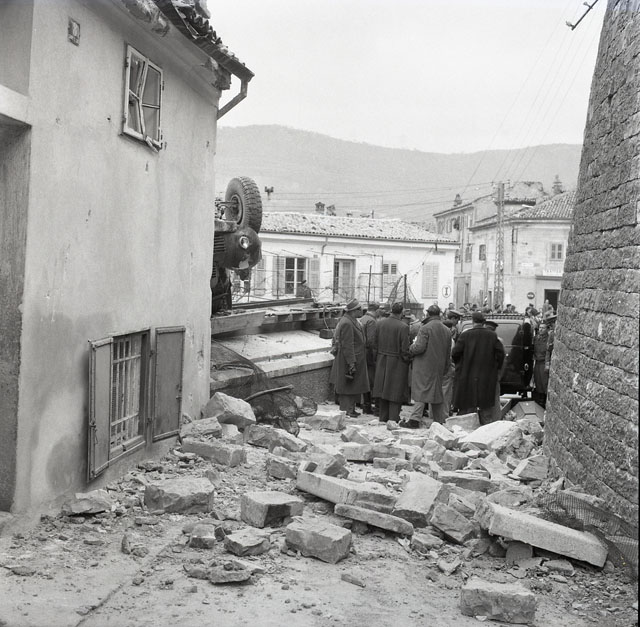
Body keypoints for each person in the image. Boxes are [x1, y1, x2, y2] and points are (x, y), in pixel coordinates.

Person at [451, 311, 505, 425]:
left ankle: (469, 428)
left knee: (468, 405)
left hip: (468, 374)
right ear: (483, 322)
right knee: (485, 406)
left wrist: (460, 365)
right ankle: (486, 428)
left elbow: (455, 353)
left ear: (473, 321)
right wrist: (496, 367)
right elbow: (500, 354)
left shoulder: (465, 335)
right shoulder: (492, 335)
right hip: (487, 375)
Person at [404, 304, 451, 427]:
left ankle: (415, 419)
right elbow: (448, 352)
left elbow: (419, 347)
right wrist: (446, 367)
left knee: (421, 391)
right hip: (439, 366)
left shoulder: (425, 328)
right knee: (436, 393)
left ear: (428, 314)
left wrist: (411, 347)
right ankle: (439, 420)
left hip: (424, 365)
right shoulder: (446, 330)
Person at [329, 299, 369, 417]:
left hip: (356, 358)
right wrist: (351, 363)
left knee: (353, 385)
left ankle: (351, 408)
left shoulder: (352, 321)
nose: (362, 311)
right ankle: (346, 409)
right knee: (347, 385)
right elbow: (348, 345)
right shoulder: (347, 323)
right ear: (353, 311)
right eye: (360, 309)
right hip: (348, 360)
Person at [373, 302, 411, 423]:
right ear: (401, 312)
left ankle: (383, 417)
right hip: (397, 362)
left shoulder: (380, 323)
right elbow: (405, 348)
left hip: (381, 359)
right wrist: (408, 360)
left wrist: (377, 358)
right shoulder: (403, 327)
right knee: (395, 392)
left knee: (383, 390)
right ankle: (394, 418)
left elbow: (374, 343)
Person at [359, 302, 380, 414]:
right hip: (369, 355)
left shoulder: (362, 319)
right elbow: (371, 341)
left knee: (363, 379)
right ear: (376, 310)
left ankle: (362, 403)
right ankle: (367, 405)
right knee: (370, 380)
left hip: (361, 353)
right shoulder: (372, 321)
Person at [484, 319, 505, 422]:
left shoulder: (496, 341)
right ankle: (495, 420)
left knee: (491, 398)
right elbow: (502, 360)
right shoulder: (498, 340)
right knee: (494, 398)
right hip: (493, 374)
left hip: (489, 374)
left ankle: (492, 420)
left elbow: (502, 360)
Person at [533, 311, 553, 408]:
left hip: (543, 362)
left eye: (543, 328)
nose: (541, 330)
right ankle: (539, 399)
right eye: (540, 328)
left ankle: (544, 400)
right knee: (538, 381)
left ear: (547, 329)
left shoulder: (549, 338)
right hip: (537, 362)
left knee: (544, 382)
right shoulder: (536, 338)